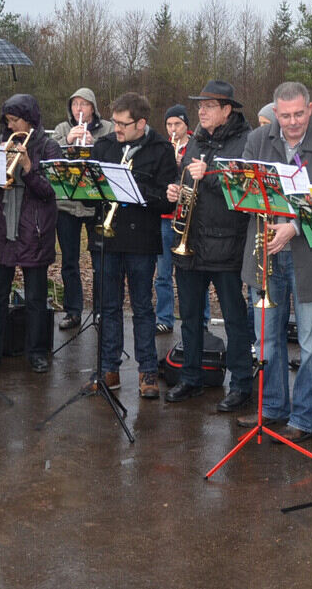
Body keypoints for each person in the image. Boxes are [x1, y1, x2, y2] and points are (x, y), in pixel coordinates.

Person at [235, 82, 312, 443]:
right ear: (275, 111)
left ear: (311, 108)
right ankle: (271, 408)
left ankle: (305, 418)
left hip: (308, 258)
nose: (292, 122)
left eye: (299, 114)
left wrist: (293, 227)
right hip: (264, 253)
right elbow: (243, 191)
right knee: (266, 340)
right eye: (284, 116)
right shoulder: (256, 140)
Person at [165, 81, 255, 413]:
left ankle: (241, 384)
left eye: (208, 106)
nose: (201, 111)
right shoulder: (196, 140)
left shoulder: (246, 141)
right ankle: (191, 378)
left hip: (227, 243)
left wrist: (211, 175)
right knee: (189, 316)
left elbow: (244, 187)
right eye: (199, 105)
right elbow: (188, 181)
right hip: (191, 243)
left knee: (233, 317)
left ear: (227, 110)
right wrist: (175, 190)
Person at [88, 92, 176, 399]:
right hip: (107, 239)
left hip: (141, 239)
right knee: (108, 306)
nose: (117, 129)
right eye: (114, 122)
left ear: (141, 123)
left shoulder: (161, 149)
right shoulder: (104, 146)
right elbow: (89, 191)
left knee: (142, 307)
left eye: (123, 124)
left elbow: (166, 198)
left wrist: (133, 186)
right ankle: (108, 369)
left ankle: (147, 371)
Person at [0, 94, 62, 374]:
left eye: (15, 120)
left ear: (30, 119)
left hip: (34, 229)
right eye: (8, 121)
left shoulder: (49, 146)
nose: (11, 126)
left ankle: (35, 352)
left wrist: (27, 168)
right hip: (3, 227)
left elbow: (51, 191)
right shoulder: (3, 141)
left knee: (35, 296)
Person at [51, 87, 113, 330]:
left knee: (100, 261)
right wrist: (67, 141)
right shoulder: (61, 129)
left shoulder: (107, 129)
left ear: (93, 108)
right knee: (69, 261)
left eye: (84, 104)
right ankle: (73, 310)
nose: (79, 109)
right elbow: (50, 153)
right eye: (75, 104)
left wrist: (93, 144)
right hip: (66, 204)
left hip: (95, 202)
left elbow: (113, 155)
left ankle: (100, 311)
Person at [155, 103, 192, 335]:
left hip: (187, 218)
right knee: (163, 273)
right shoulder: (163, 148)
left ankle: (200, 320)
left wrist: (182, 167)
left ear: (186, 125)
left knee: (192, 274)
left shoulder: (195, 147)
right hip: (164, 216)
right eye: (169, 124)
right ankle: (164, 317)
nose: (173, 129)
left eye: (177, 124)